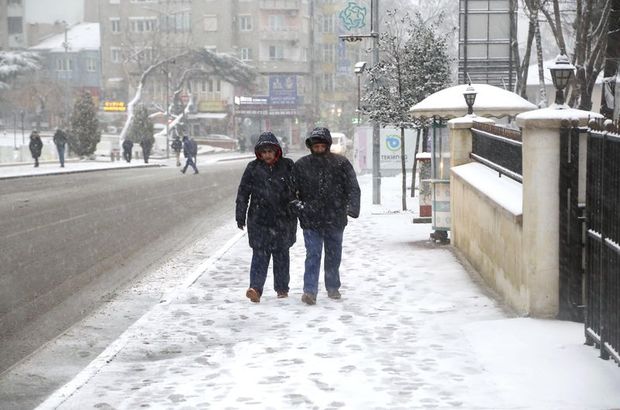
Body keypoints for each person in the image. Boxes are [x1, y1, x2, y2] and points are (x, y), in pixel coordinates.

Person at [292, 127, 361, 305]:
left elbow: (353, 187)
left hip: (335, 218)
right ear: (311, 146)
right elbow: (291, 192)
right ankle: (309, 291)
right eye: (316, 145)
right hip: (311, 219)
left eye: (323, 145)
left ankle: (333, 287)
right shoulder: (301, 165)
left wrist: (352, 208)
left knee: (333, 254)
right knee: (313, 254)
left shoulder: (341, 163)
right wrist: (299, 208)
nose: (319, 148)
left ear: (328, 145)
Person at [236, 131, 297, 303]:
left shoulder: (287, 165)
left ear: (277, 151)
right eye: (264, 152)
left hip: (283, 220)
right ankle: (255, 288)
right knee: (259, 256)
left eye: (270, 151)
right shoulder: (253, 168)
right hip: (259, 220)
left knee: (281, 256)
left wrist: (296, 209)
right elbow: (243, 193)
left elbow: (296, 190)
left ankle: (282, 289)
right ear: (259, 153)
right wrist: (240, 214)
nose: (267, 155)